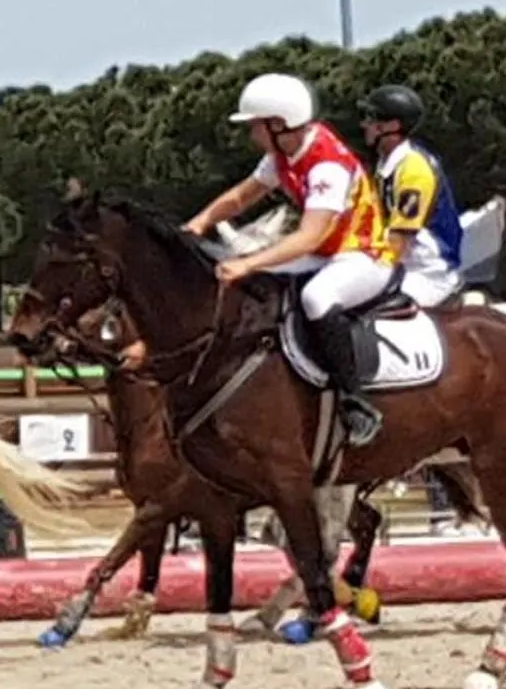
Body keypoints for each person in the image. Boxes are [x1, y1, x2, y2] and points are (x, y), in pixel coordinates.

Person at [184, 73, 394, 447]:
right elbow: (240, 198)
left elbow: (309, 235)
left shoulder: (326, 164)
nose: (252, 135)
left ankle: (356, 401)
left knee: (316, 299)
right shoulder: (281, 154)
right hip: (324, 255)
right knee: (257, 286)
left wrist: (248, 262)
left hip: (364, 257)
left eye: (255, 126)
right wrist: (200, 222)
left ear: (279, 125)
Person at [360, 85, 465, 310]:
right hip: (405, 267)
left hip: (429, 273)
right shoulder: (385, 166)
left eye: (372, 118)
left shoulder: (413, 169)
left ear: (393, 126)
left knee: (366, 309)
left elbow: (399, 242)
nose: (364, 125)